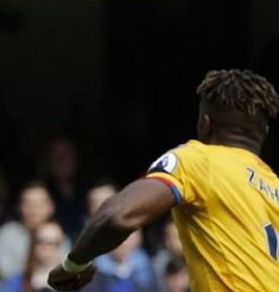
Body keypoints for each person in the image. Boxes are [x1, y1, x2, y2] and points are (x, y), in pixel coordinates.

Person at [48, 69, 279, 291]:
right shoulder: (274, 184)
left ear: (205, 123)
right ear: (264, 133)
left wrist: (73, 265)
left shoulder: (199, 160)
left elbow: (117, 215)